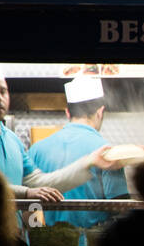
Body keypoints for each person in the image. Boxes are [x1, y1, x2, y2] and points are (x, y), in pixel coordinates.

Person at [0, 63, 129, 222]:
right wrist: (26, 194)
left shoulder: (12, 139)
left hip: (15, 242)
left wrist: (90, 162)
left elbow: (39, 183)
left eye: (3, 91)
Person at [27, 75, 129, 236]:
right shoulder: (106, 152)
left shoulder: (36, 149)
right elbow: (121, 207)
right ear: (100, 112)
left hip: (49, 245)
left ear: (68, 112)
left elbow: (28, 206)